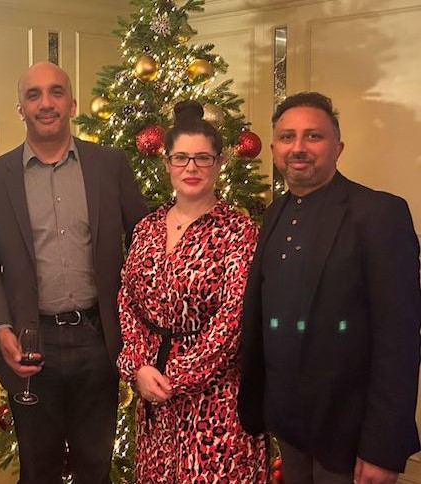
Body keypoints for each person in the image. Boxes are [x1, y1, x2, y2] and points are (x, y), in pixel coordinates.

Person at [0, 61, 147, 483]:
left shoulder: (110, 164)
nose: (45, 104)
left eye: (55, 92)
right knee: (38, 469)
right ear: (20, 108)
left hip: (98, 340)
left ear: (72, 102)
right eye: (34, 95)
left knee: (95, 467)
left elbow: (145, 241)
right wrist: (0, 329)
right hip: (30, 343)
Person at [239, 92, 421, 484]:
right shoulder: (273, 214)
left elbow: (399, 341)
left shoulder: (378, 214)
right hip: (286, 425)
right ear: (273, 149)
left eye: (313, 137)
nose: (298, 147)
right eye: (287, 137)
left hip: (348, 433)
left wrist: (381, 449)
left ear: (338, 147)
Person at [116, 101, 267, 482]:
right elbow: (127, 300)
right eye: (181, 157)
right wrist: (138, 368)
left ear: (218, 164)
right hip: (152, 393)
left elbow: (232, 322)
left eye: (203, 158)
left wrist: (173, 377)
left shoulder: (238, 232)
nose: (192, 168)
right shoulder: (147, 228)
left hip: (216, 399)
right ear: (166, 163)